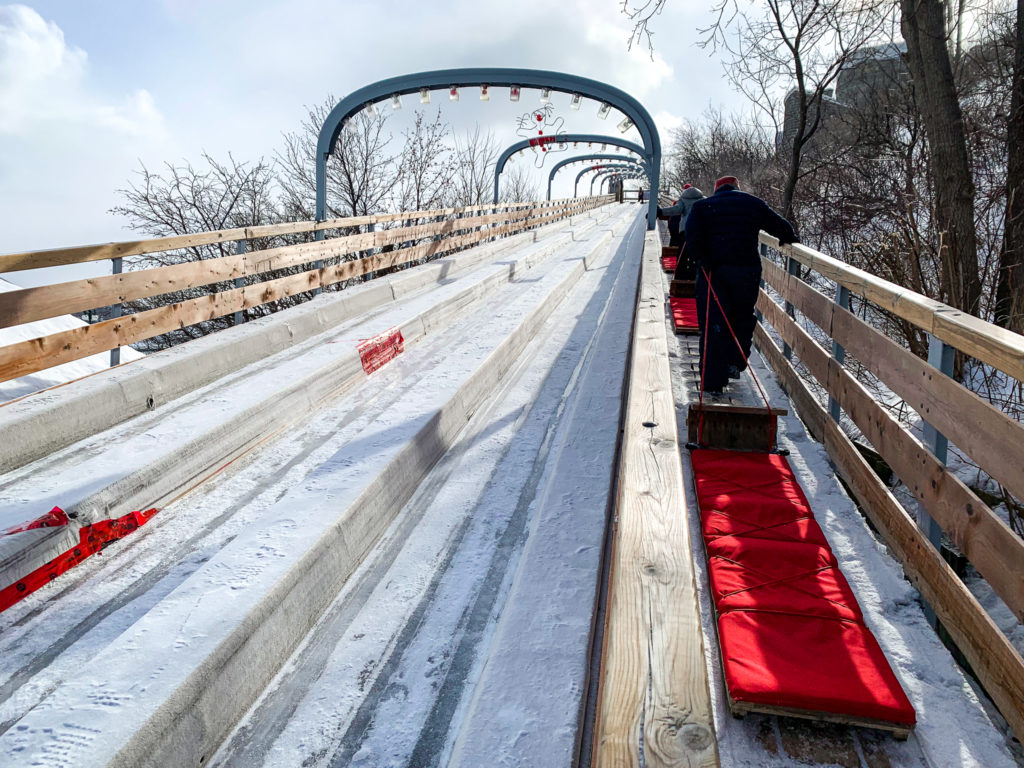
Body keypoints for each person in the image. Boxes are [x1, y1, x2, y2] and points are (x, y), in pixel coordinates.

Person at [685, 175, 798, 393]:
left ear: (717, 190)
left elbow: (692, 237)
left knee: (714, 323)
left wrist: (703, 260)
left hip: (715, 273)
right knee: (742, 318)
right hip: (746, 273)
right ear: (737, 187)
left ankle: (712, 383)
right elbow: (780, 225)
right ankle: (735, 363)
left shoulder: (702, 207)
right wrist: (789, 237)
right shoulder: (752, 203)